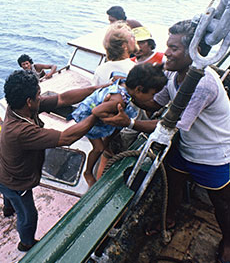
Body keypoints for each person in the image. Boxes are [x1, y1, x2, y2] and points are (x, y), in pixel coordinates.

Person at [101, 20, 230, 263]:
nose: (167, 52)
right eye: (168, 45)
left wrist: (127, 123)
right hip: (186, 144)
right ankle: (169, 218)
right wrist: (129, 95)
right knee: (174, 181)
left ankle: (228, 241)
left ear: (195, 52)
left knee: (222, 203)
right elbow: (155, 104)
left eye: (174, 48)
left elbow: (169, 127)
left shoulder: (203, 84)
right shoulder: (172, 72)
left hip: (212, 152)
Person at [0, 70, 106, 252]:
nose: (40, 98)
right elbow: (66, 138)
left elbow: (63, 99)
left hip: (4, 169)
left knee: (10, 199)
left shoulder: (17, 107)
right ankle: (26, 243)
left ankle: (8, 209)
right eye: (38, 95)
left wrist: (97, 90)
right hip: (16, 181)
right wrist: (95, 114)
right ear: (29, 101)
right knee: (28, 215)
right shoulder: (19, 131)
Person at [68, 64, 167, 186]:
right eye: (152, 94)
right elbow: (96, 111)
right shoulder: (118, 100)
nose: (153, 98)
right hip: (87, 116)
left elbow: (116, 75)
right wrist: (110, 120)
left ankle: (107, 143)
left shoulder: (126, 85)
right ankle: (88, 172)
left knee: (117, 127)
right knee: (98, 148)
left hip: (104, 111)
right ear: (138, 89)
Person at [93, 21, 138, 86]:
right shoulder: (135, 69)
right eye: (131, 37)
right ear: (124, 46)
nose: (135, 39)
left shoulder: (100, 70)